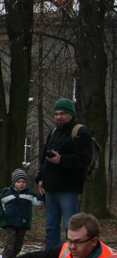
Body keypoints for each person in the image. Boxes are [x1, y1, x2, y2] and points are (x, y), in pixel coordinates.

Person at [36, 97, 93, 249]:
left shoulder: (80, 132)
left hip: (69, 188)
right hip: (51, 187)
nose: (59, 117)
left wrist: (62, 160)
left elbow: (84, 159)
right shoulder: (54, 132)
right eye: (56, 114)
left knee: (71, 228)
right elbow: (45, 159)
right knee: (50, 227)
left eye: (62, 113)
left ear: (71, 114)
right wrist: (40, 179)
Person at [0, 168, 42, 258]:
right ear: (13, 183)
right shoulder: (7, 194)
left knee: (18, 244)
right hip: (9, 222)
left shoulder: (29, 194)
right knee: (10, 242)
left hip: (23, 223)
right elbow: (0, 204)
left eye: (23, 182)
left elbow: (38, 202)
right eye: (18, 182)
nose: (21, 184)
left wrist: (43, 196)